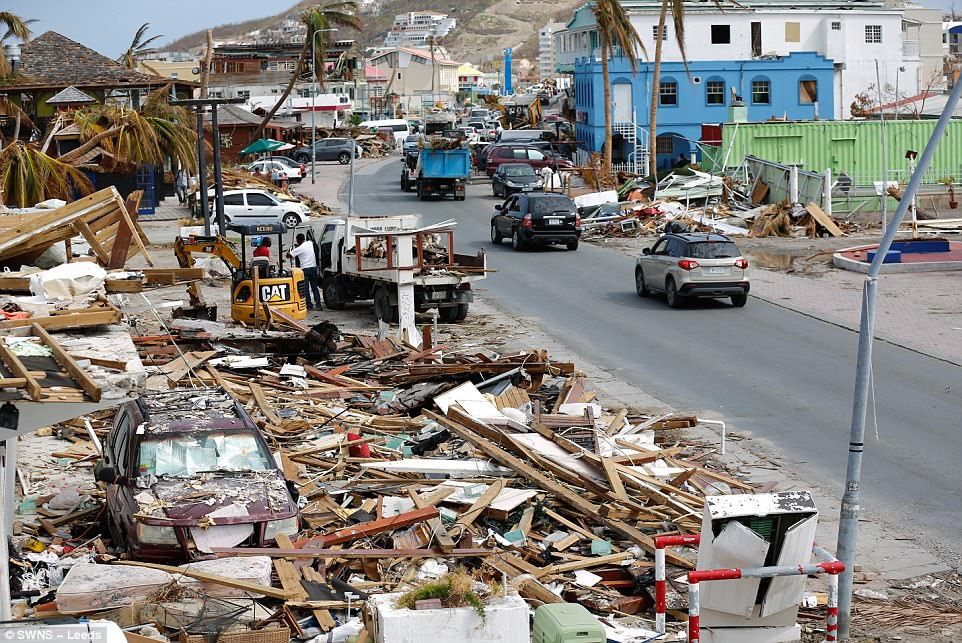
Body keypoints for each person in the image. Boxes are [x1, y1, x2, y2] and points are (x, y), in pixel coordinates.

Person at [288, 233, 322, 311]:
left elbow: (289, 255)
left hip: (305, 269)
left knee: (305, 288)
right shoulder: (309, 243)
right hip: (313, 268)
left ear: (298, 240)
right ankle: (318, 304)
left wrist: (291, 249)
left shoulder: (299, 249)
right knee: (314, 287)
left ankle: (309, 305)